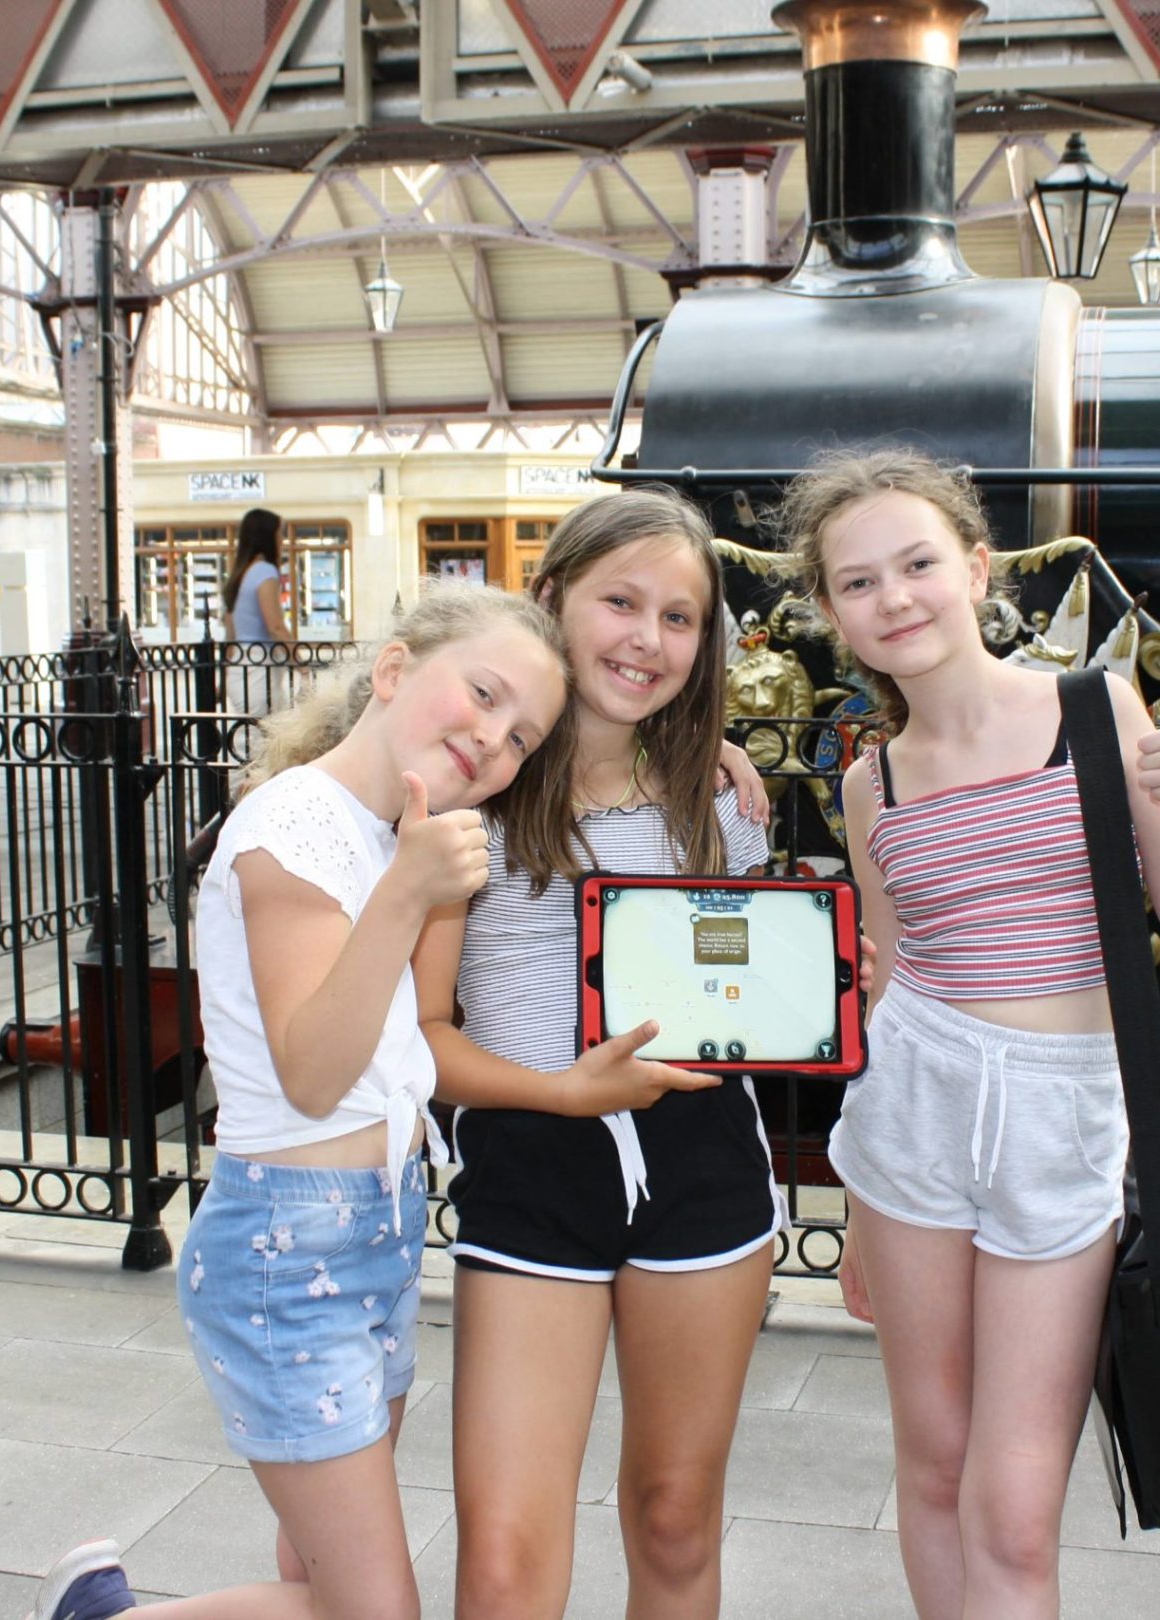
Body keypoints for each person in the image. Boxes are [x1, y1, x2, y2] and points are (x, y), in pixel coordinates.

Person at [30, 580, 569, 1620]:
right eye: (484, 694)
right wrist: (411, 889)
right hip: (289, 1245)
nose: (493, 740)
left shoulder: (392, 832)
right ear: (397, 669)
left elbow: (414, 1033)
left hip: (378, 1230)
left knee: (317, 1576)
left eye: (521, 739)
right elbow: (314, 1074)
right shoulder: (294, 827)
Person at [783, 449, 1160, 1620]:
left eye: (916, 564)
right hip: (915, 1120)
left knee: (1012, 1503)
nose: (893, 598)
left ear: (977, 567)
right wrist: (859, 1220)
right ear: (831, 610)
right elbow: (889, 994)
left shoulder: (1094, 712)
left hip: (1061, 1111)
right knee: (934, 1464)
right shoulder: (871, 784)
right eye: (857, 582)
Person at [412, 488, 786, 1620]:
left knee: (675, 1516)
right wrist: (562, 1092)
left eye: (680, 618)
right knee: (506, 1562)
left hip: (704, 1160)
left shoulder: (719, 805)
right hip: (532, 1155)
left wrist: (818, 993)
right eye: (620, 602)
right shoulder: (469, 796)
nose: (648, 639)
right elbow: (423, 1040)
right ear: (552, 600)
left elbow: (749, 995)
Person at [226, 508, 295, 646]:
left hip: (241, 658)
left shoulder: (240, 574)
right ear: (268, 537)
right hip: (261, 659)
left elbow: (230, 635)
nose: (282, 541)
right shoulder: (264, 571)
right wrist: (300, 663)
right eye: (280, 534)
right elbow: (275, 627)